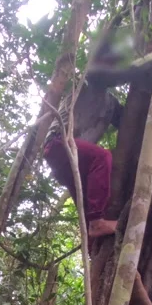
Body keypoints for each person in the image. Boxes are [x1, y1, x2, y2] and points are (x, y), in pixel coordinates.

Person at [43, 96, 118, 239]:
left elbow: (126, 120)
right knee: (101, 157)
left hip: (73, 158)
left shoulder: (110, 104)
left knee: (84, 196)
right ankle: (97, 222)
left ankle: (91, 246)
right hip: (59, 142)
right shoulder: (90, 82)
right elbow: (103, 75)